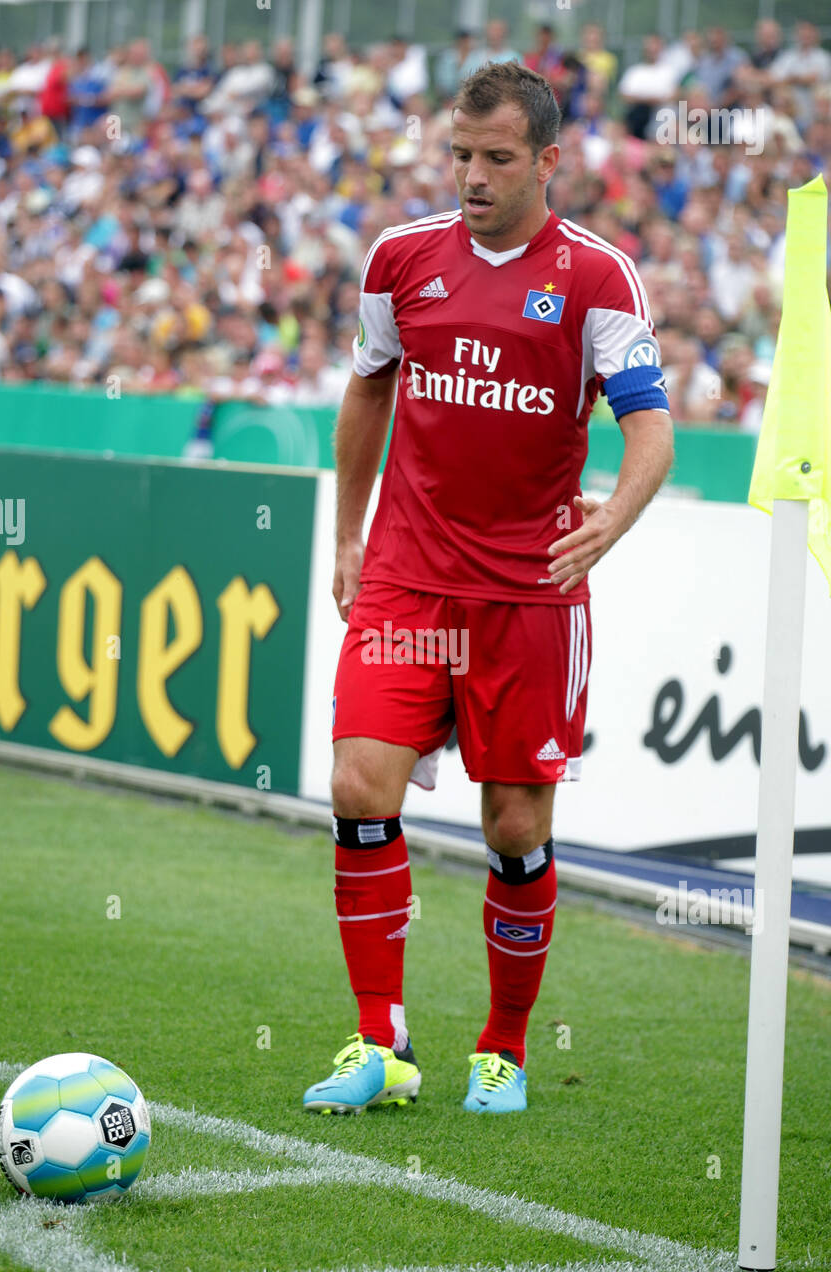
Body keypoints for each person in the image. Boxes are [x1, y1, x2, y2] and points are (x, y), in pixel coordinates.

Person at [305, 62, 673, 1116]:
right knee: (357, 787)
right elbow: (368, 387)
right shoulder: (401, 260)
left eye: (497, 158)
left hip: (527, 597)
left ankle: (504, 1045)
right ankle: (380, 1041)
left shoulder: (598, 278)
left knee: (514, 827)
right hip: (410, 583)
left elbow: (650, 425)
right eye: (460, 155)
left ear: (547, 161)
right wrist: (348, 537)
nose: (472, 175)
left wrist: (614, 515)